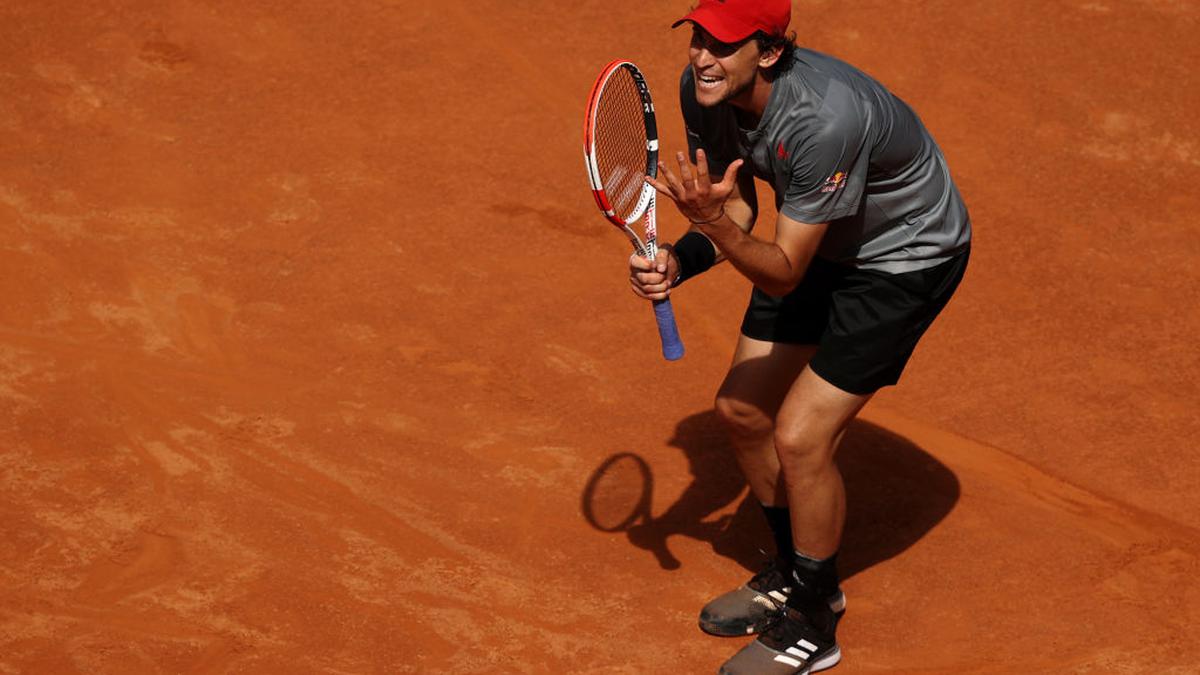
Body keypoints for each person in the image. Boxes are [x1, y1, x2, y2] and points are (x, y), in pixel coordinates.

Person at [629, 0, 972, 672]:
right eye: (698, 37)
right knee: (741, 409)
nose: (702, 56)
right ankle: (793, 572)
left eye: (723, 45)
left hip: (903, 260)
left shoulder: (824, 119)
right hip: (815, 245)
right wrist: (679, 258)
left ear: (770, 52)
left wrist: (717, 230)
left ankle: (816, 618)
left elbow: (782, 274)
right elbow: (734, 203)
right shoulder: (704, 90)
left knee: (800, 435)